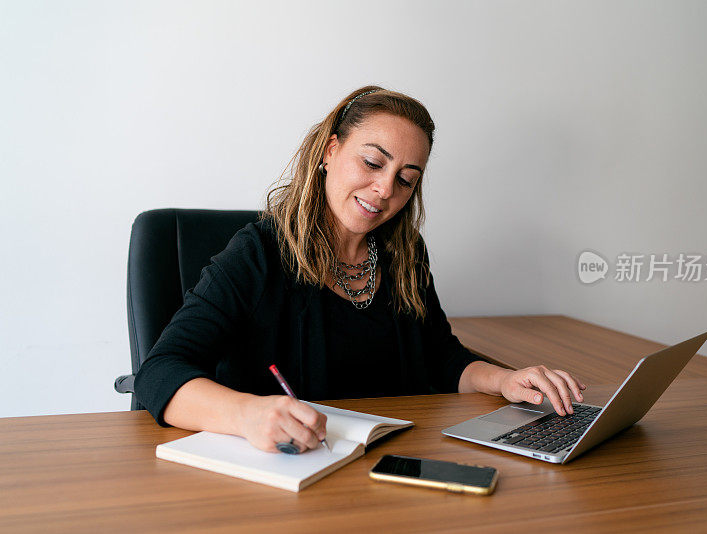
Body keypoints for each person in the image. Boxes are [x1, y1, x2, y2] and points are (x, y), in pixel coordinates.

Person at [134, 85, 587, 454]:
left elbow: (442, 358)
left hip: (391, 464)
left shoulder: (404, 255)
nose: (385, 188)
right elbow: (159, 372)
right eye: (372, 162)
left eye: (407, 178)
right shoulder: (258, 252)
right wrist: (248, 414)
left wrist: (506, 379)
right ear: (330, 150)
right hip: (295, 470)